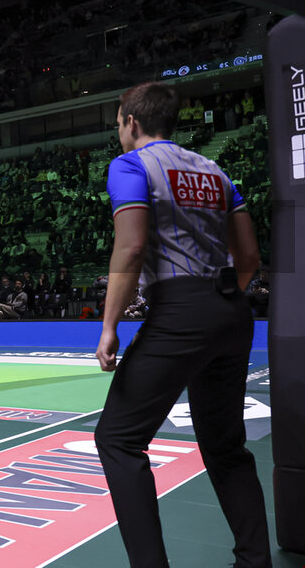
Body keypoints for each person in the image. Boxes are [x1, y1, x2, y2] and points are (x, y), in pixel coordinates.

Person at [94, 82, 270, 568]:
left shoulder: (129, 165)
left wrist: (109, 326)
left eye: (117, 121)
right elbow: (249, 257)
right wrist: (218, 299)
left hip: (178, 309)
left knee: (118, 439)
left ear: (131, 121)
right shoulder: (216, 171)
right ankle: (255, 561)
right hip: (232, 310)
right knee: (226, 447)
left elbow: (130, 247)